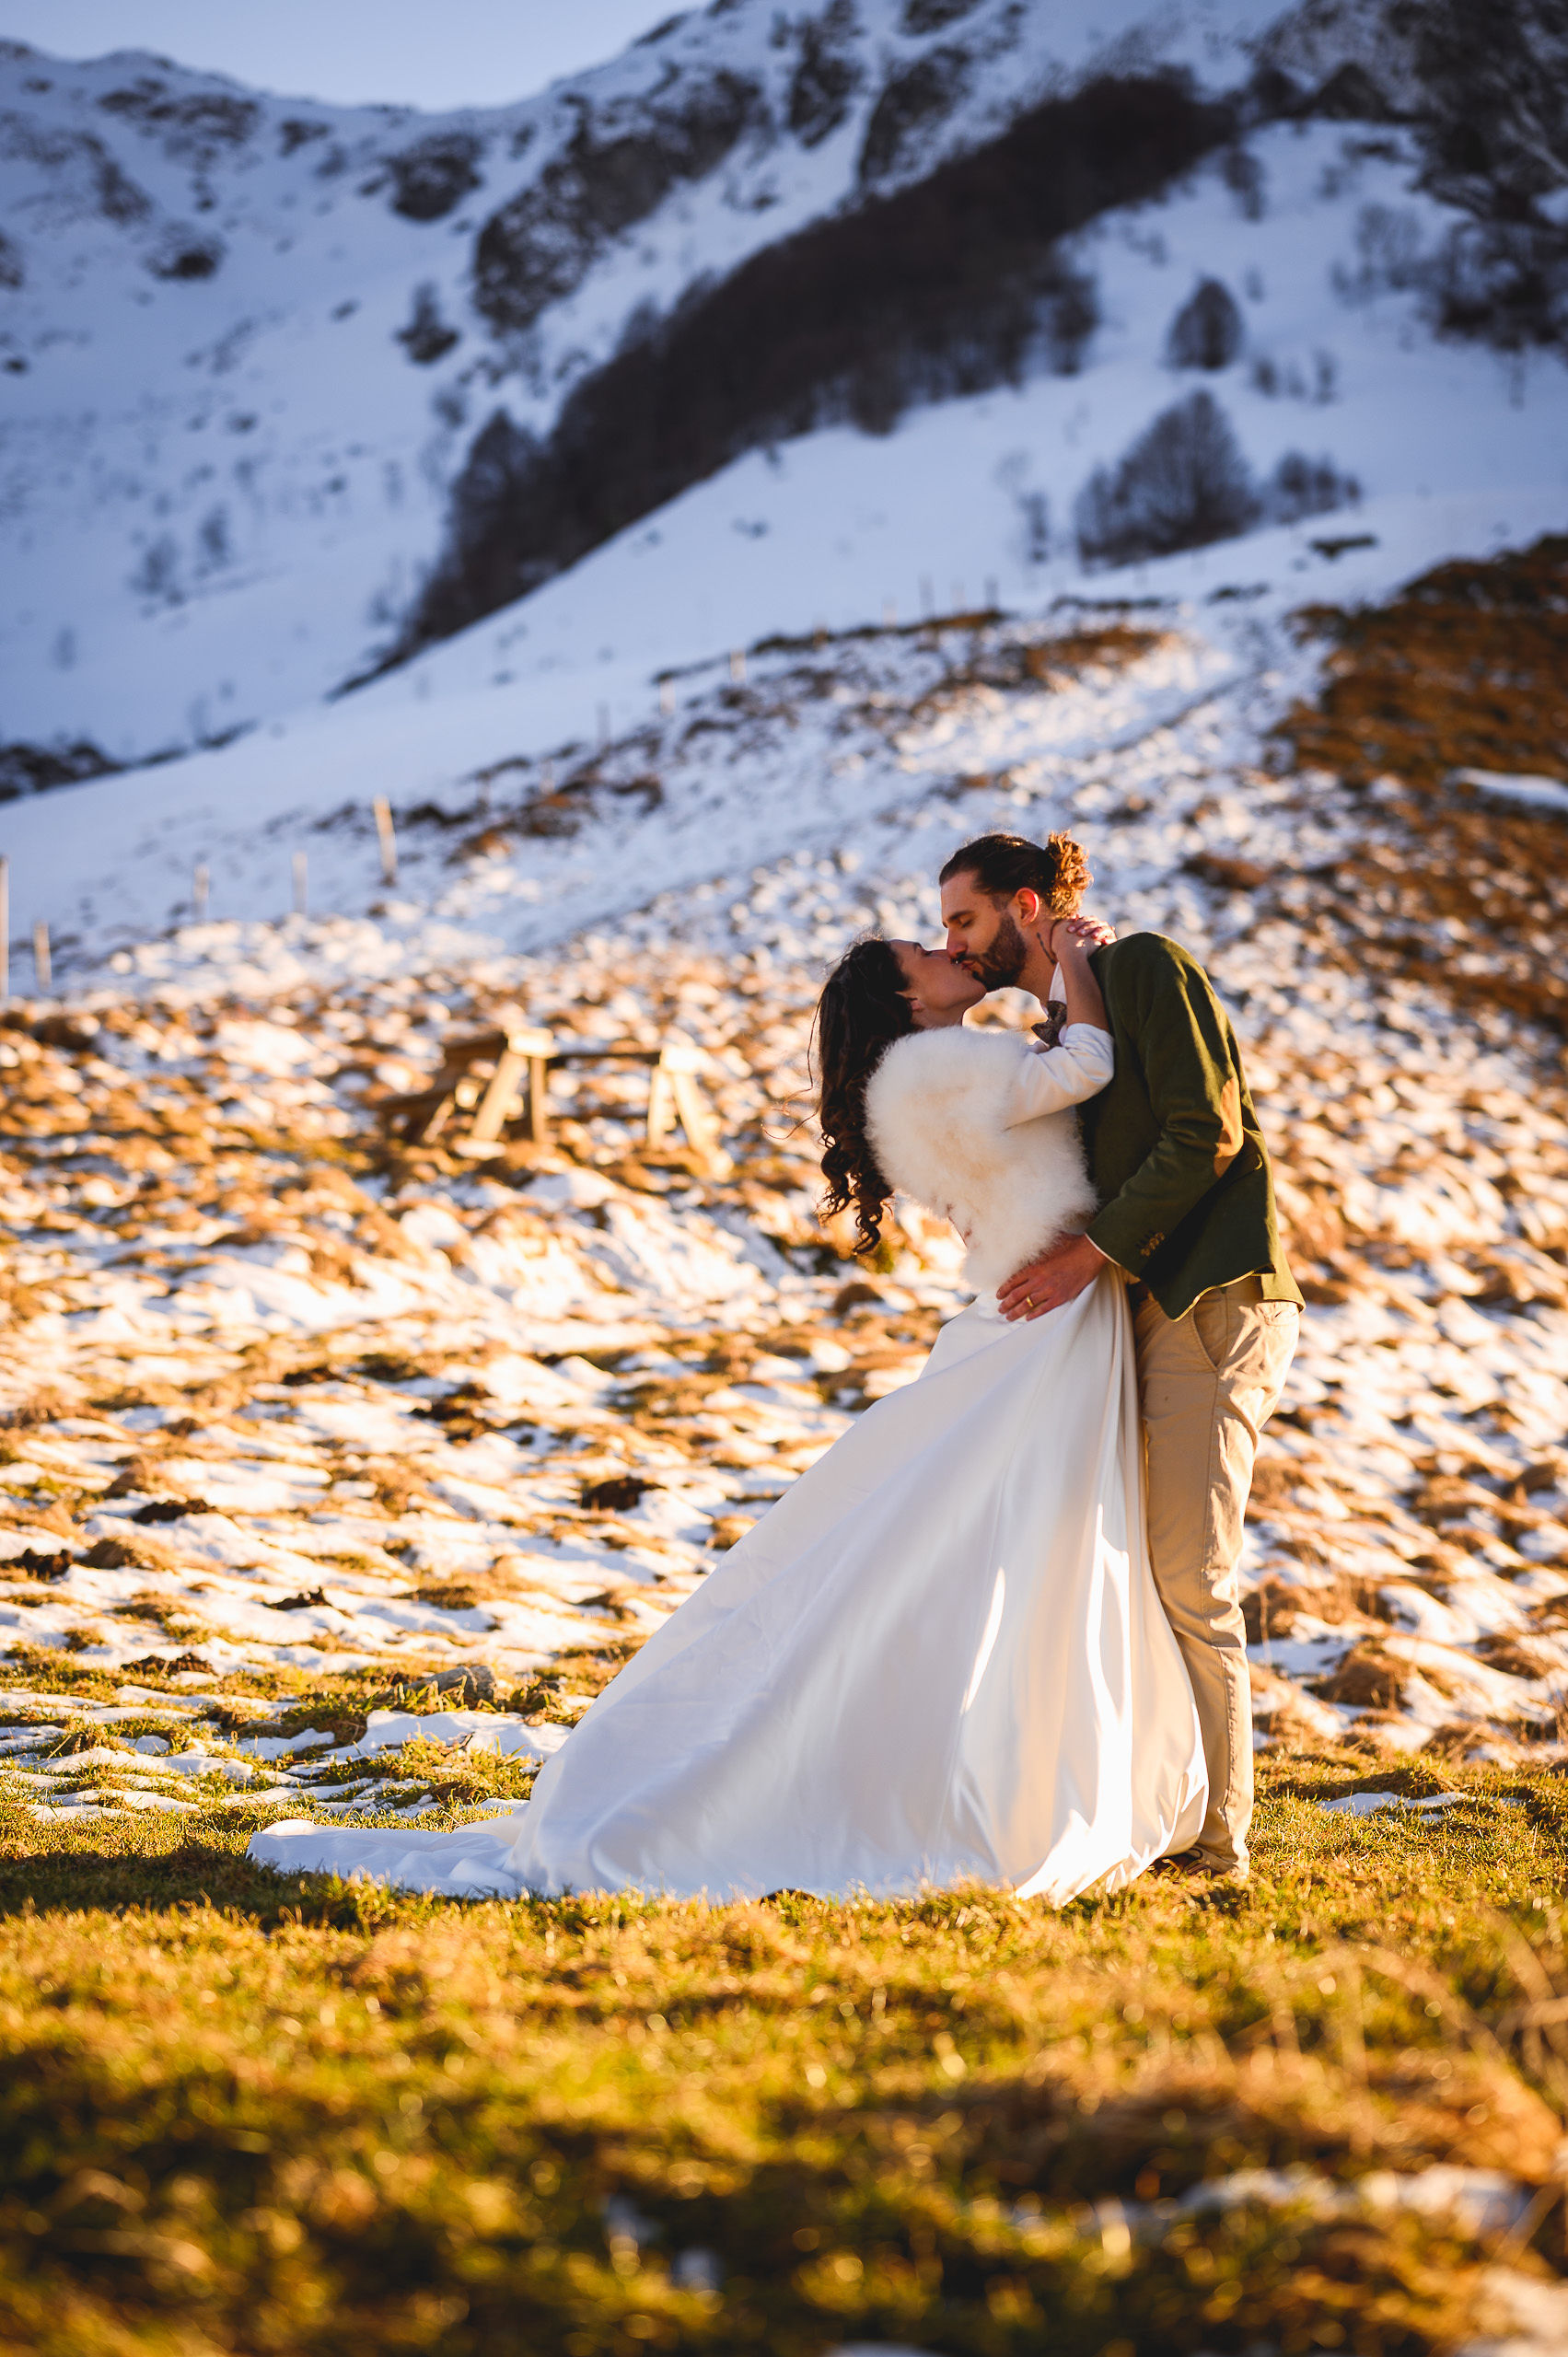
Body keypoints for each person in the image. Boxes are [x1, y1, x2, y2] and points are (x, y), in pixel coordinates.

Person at [252, 914, 1207, 1902]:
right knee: (1005, 1530)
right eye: (925, 954)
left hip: (1038, 1305)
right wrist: (1079, 964)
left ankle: (996, 1743)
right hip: (1042, 1312)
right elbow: (1087, 1063)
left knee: (989, 1532)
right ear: (904, 999)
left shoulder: (936, 1069)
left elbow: (1051, 1089)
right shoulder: (938, 1070)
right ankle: (988, 1761)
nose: (946, 952)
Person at [939, 832, 1302, 1887]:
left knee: (1188, 1573)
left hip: (1206, 1301)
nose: (955, 945)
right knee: (1128, 1574)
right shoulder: (1073, 1017)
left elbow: (1205, 1133)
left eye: (964, 921)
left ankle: (1219, 1847)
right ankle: (1152, 1805)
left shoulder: (1144, 965)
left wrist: (1086, 1259)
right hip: (1128, 1320)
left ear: (1020, 905)